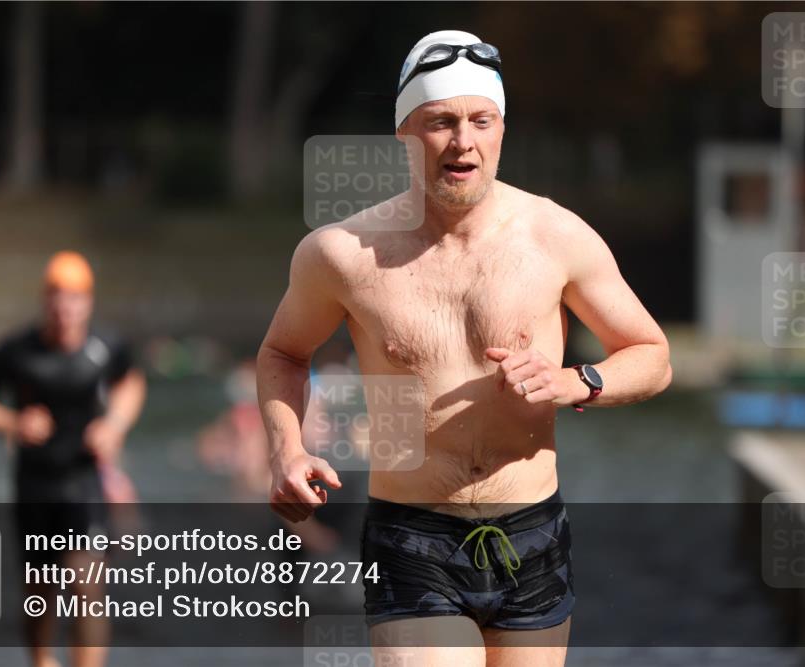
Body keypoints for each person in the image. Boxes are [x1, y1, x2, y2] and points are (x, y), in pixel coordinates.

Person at [257, 30, 671, 667]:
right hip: (413, 535)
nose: (463, 141)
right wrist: (287, 448)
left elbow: (651, 355)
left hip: (531, 530)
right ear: (404, 132)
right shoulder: (341, 254)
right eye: (441, 122)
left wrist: (576, 381)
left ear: (502, 129)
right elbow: (285, 353)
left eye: (481, 120)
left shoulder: (555, 235)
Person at [0, 251, 146, 667]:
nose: (65, 308)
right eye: (57, 298)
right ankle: (42, 659)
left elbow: (131, 383)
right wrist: (13, 421)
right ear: (45, 301)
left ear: (88, 302)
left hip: (83, 478)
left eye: (75, 298)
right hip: (35, 482)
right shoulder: (18, 351)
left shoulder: (106, 346)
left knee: (87, 584)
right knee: (41, 592)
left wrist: (114, 425)